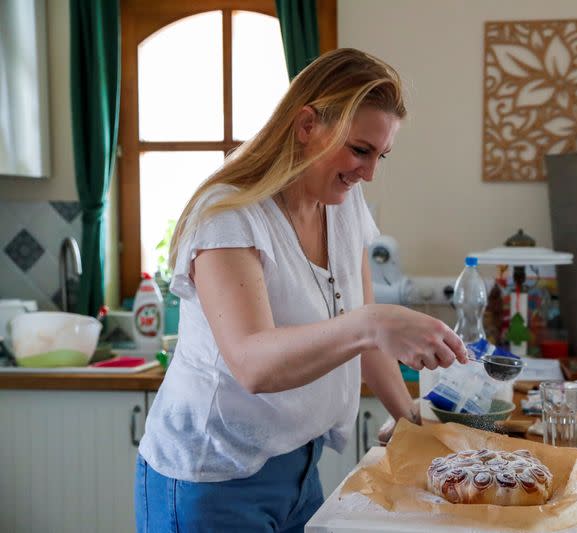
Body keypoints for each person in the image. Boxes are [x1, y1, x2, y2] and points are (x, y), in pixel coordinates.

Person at [134, 48, 468, 533]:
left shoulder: (343, 206)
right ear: (307, 124)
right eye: (360, 150)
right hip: (211, 479)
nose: (369, 172)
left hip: (298, 470)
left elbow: (364, 329)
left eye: (380, 155)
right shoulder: (228, 215)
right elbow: (253, 363)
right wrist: (374, 323)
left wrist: (412, 424)